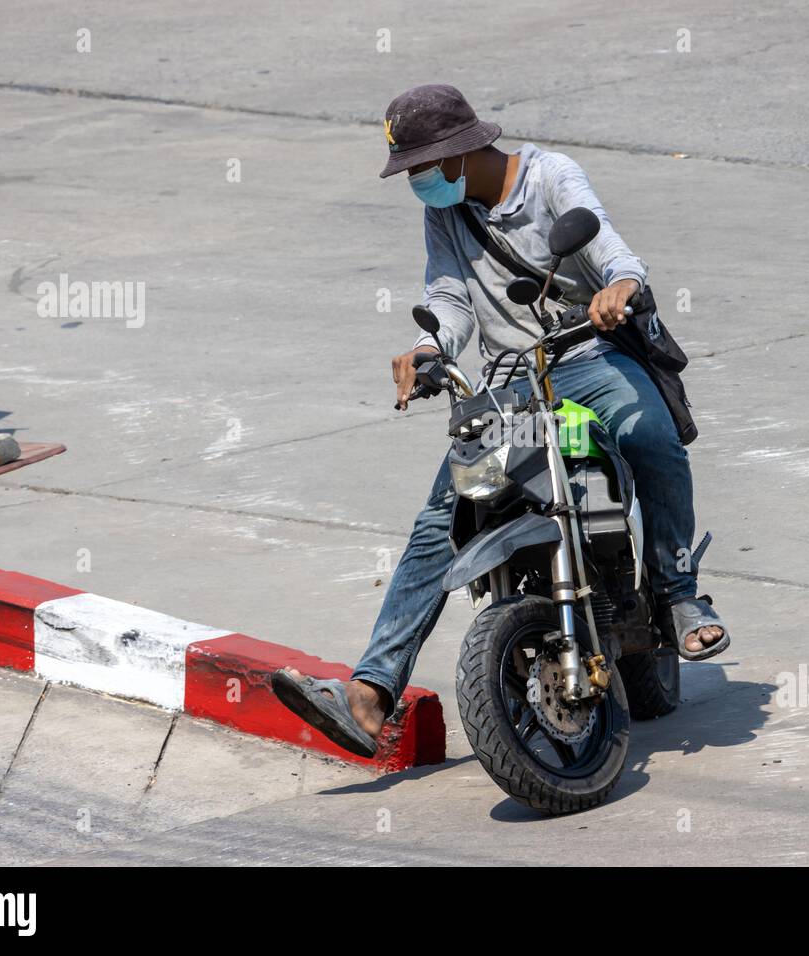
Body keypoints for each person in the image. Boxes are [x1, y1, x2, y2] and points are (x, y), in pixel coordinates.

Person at [273, 84, 729, 757]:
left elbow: (616, 254)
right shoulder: (450, 211)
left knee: (649, 437)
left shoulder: (550, 176)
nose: (418, 184)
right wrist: (432, 351)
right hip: (513, 383)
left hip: (588, 356)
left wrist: (618, 291)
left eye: (423, 169)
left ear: (462, 153)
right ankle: (370, 695)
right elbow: (450, 299)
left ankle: (679, 593)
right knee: (442, 518)